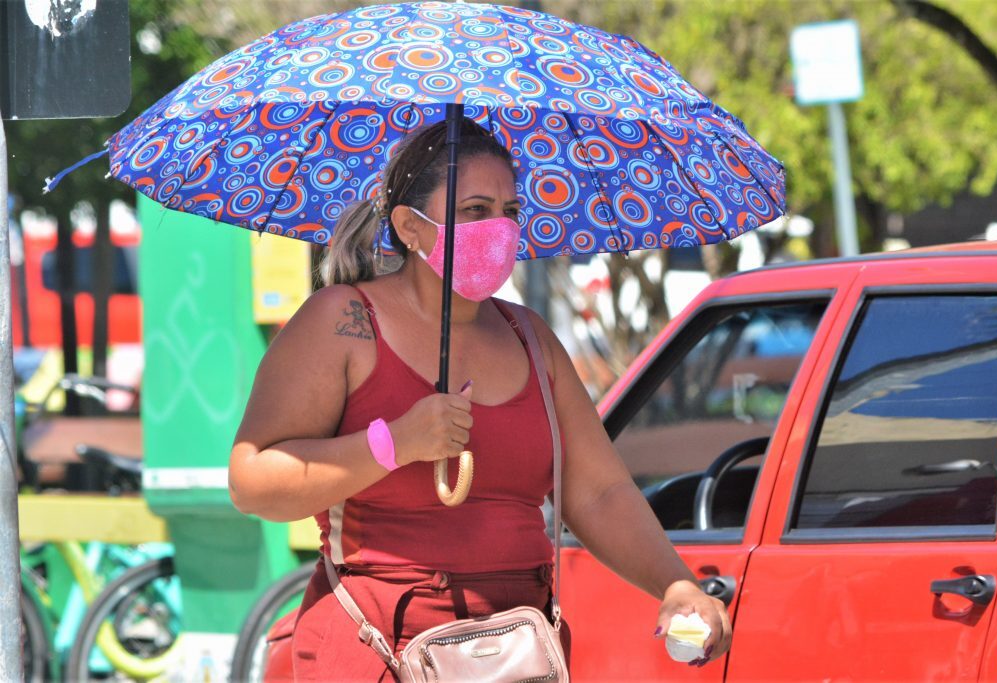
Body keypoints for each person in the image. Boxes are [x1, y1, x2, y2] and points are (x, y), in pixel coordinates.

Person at [229, 118, 732, 681]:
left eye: (509, 211)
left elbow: (600, 490)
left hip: (514, 650)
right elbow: (253, 483)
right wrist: (394, 443)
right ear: (409, 227)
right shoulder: (343, 321)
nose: (498, 228)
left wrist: (675, 583)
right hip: (376, 646)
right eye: (474, 210)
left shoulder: (529, 335)